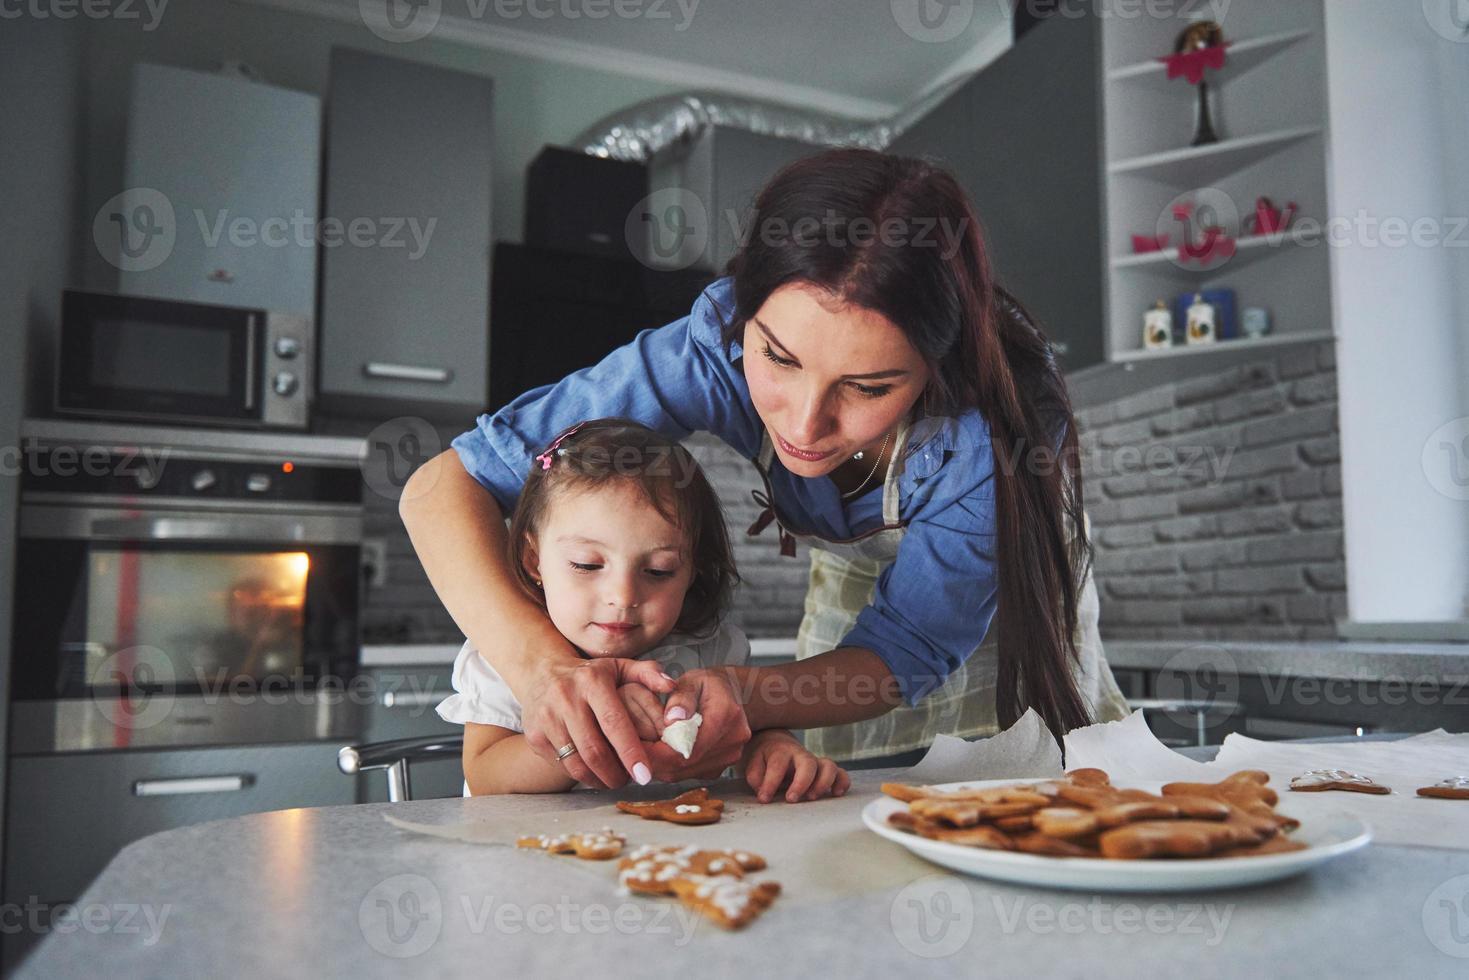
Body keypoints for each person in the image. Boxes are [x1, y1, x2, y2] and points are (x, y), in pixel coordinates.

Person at [402, 147, 1130, 790]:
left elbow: (905, 649)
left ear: (932, 371)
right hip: (850, 616)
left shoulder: (986, 440)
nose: (804, 425)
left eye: (869, 388)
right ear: (742, 318)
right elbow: (439, 489)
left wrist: (743, 695)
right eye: (777, 359)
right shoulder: (709, 346)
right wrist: (546, 675)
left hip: (1014, 628)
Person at [434, 418, 850, 802]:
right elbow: (485, 773)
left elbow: (739, 734)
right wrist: (594, 733)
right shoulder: (505, 650)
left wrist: (772, 750)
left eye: (658, 570)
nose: (622, 595)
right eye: (587, 564)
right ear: (533, 560)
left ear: (692, 572)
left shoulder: (709, 650)